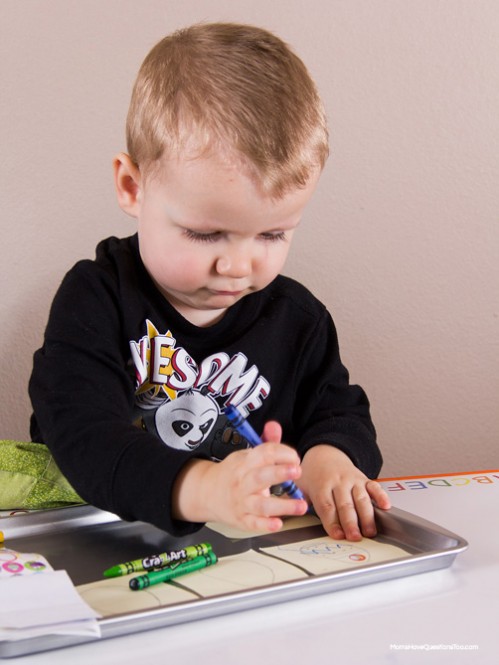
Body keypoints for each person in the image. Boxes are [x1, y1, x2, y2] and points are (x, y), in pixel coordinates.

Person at [29, 22, 390, 542]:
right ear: (133, 187)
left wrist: (328, 460)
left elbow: (340, 410)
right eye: (206, 234)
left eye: (272, 233)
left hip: (251, 553)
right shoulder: (96, 299)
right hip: (100, 537)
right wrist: (204, 488)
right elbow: (81, 434)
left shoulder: (297, 319)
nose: (239, 267)